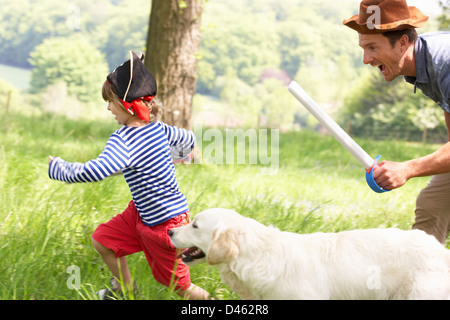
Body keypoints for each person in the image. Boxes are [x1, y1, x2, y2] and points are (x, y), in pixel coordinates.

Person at [48, 51, 211, 300]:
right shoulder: (159, 128)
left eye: (110, 101)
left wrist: (60, 168)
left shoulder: (124, 140)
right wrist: (178, 155)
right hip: (141, 213)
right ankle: (125, 292)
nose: (108, 107)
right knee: (103, 241)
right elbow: (188, 140)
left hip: (166, 225)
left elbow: (97, 170)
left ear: (126, 104)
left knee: (180, 287)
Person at [343, 0, 450, 244]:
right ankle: (422, 276)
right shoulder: (423, 64)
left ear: (402, 42)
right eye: (363, 48)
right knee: (433, 204)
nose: (366, 59)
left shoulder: (446, 62)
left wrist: (408, 168)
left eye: (372, 47)